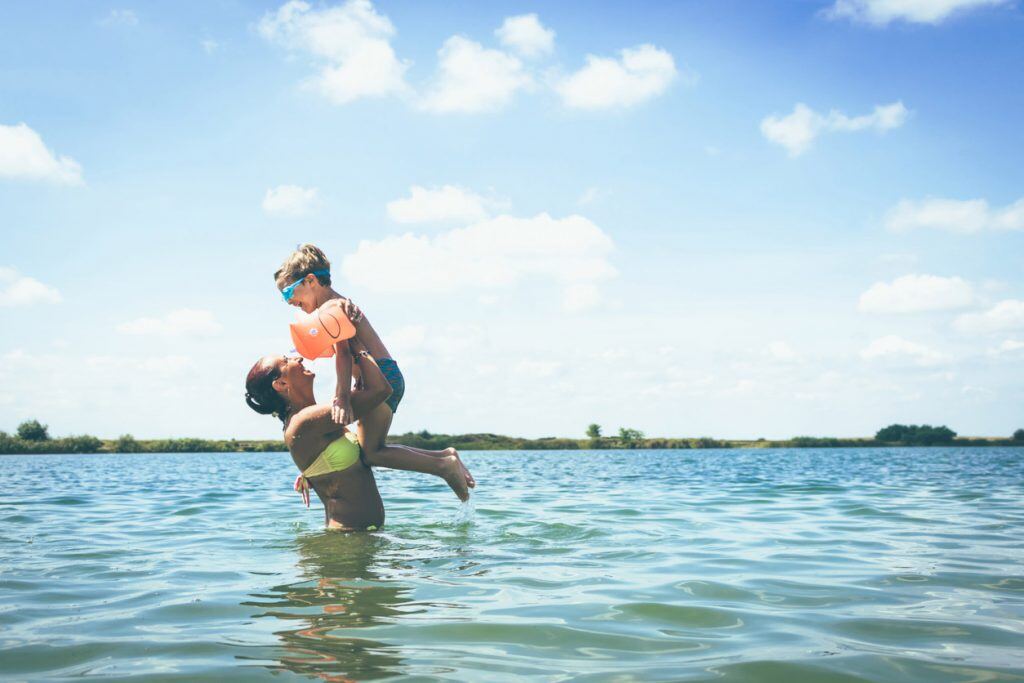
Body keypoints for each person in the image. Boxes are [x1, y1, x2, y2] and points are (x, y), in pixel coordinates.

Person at [273, 244, 475, 489]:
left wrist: (342, 398)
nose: (289, 301)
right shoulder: (337, 305)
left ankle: (443, 466)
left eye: (288, 292)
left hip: (379, 379)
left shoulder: (331, 309)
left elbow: (344, 355)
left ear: (311, 280)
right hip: (384, 374)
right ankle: (444, 456)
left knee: (373, 452)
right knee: (372, 446)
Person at [245, 342, 471, 530]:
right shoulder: (304, 422)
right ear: (281, 384)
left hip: (360, 538)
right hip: (345, 543)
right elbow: (381, 391)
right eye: (286, 361)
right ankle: (443, 464)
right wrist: (350, 344)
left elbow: (367, 446)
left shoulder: (311, 419)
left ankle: (443, 457)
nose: (298, 359)